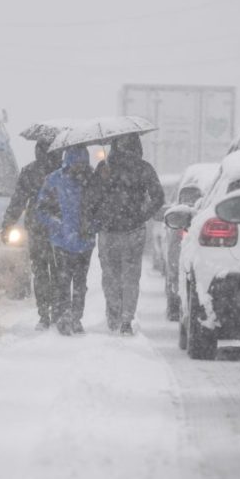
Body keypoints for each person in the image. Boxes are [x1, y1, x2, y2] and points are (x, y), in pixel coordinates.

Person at [92, 134, 164, 336]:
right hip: (134, 231)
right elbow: (158, 197)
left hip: (108, 232)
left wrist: (99, 216)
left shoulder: (104, 167)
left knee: (110, 277)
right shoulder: (144, 168)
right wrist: (142, 215)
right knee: (131, 277)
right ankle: (126, 320)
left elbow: (91, 198)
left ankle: (114, 317)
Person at [35, 146, 98, 336]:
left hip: (83, 241)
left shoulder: (93, 181)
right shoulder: (55, 180)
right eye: (76, 163)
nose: (79, 167)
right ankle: (64, 316)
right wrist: (56, 223)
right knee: (62, 282)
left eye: (82, 163)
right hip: (62, 241)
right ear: (69, 162)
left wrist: (93, 224)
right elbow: (41, 209)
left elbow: (101, 207)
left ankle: (76, 318)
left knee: (79, 283)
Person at [1, 139, 63, 330]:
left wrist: (8, 224)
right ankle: (58, 311)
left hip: (37, 228)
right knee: (59, 271)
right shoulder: (62, 170)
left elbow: (19, 200)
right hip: (61, 228)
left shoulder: (30, 171)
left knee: (41, 272)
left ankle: (44, 313)